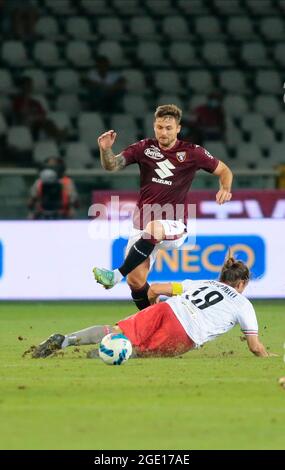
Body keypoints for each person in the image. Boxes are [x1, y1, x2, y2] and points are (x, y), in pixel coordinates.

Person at [93, 104, 233, 311]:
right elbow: (112, 165)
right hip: (142, 224)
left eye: (168, 128)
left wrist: (225, 188)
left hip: (173, 224)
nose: (163, 132)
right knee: (136, 281)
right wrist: (105, 150)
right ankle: (153, 323)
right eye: (159, 127)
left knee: (155, 228)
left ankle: (115, 275)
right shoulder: (144, 148)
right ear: (154, 126)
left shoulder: (192, 152)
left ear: (178, 128)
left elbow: (224, 170)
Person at [31, 255, 277, 359]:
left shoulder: (201, 283)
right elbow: (254, 347)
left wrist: (151, 310)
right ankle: (96, 357)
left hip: (167, 309)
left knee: (115, 330)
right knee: (137, 352)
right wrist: (267, 356)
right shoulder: (243, 304)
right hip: (185, 332)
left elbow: (156, 289)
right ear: (243, 283)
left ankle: (65, 340)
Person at [13, 76, 67, 143]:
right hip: (24, 125)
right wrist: (26, 97)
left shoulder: (35, 102)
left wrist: (35, 117)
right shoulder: (18, 101)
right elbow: (21, 114)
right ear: (22, 87)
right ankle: (58, 134)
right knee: (33, 120)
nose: (28, 87)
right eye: (26, 85)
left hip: (37, 124)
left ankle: (58, 134)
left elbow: (43, 115)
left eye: (30, 85)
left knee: (48, 121)